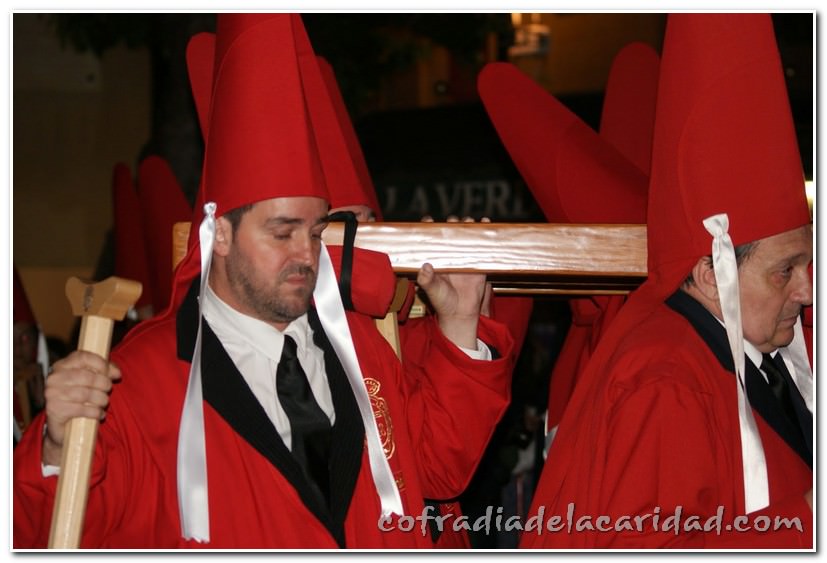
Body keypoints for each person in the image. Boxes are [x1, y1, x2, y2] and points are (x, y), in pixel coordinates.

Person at [13, 13, 514, 548]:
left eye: (316, 232)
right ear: (221, 235)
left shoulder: (359, 345)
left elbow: (439, 469)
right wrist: (59, 447)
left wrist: (459, 322)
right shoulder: (140, 379)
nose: (307, 254)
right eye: (282, 233)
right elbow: (51, 534)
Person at [521, 13, 812, 548]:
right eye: (785, 271)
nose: (807, 290)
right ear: (711, 273)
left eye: (807, 265)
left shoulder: (740, 347)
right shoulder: (666, 380)